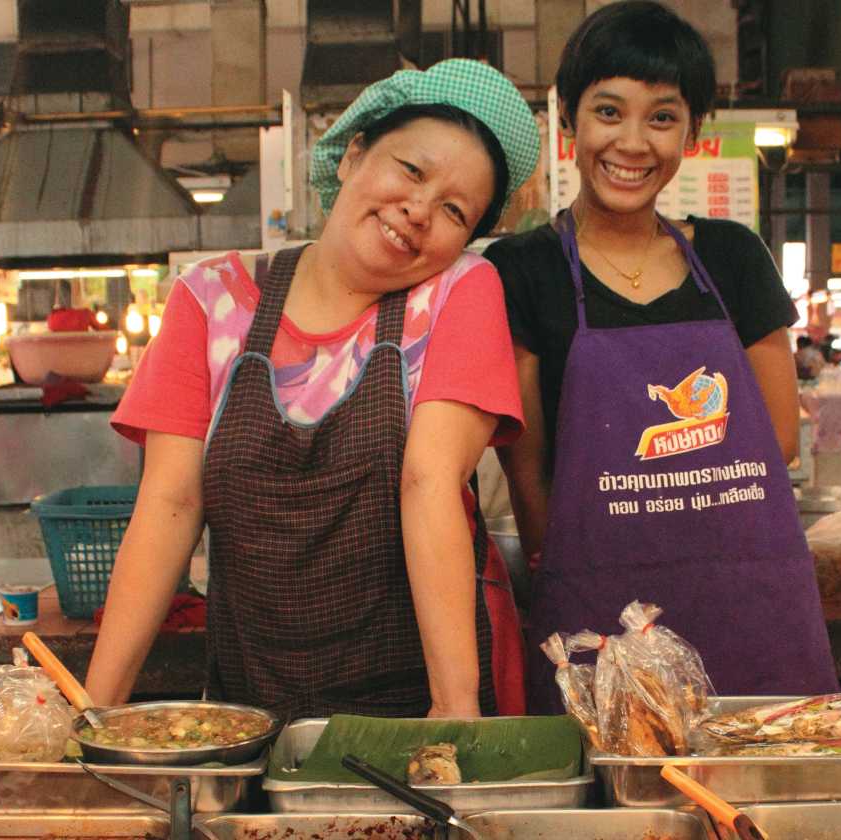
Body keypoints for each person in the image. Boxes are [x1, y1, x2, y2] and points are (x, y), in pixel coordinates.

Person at [88, 59, 542, 720]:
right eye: (411, 171)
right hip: (254, 696)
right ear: (353, 155)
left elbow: (428, 482)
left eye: (454, 210)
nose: (417, 211)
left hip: (426, 690)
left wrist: (455, 709)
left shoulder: (459, 293)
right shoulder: (211, 300)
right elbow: (169, 503)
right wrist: (94, 714)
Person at [483, 0, 838, 713]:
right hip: (603, 617)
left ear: (693, 132)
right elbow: (529, 472)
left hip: (748, 603)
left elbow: (781, 436)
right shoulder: (521, 269)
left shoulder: (734, 257)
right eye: (609, 112)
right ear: (568, 121)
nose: (633, 143)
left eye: (663, 116)